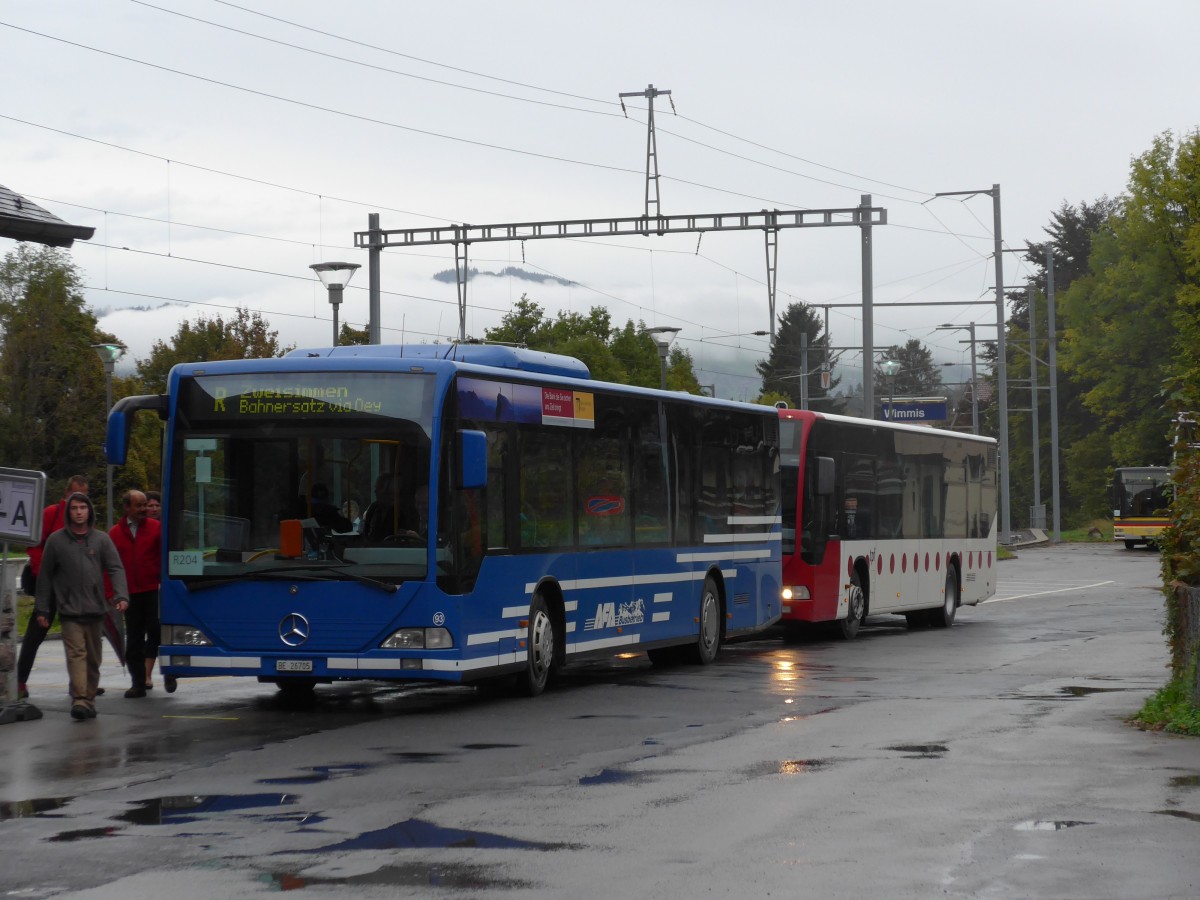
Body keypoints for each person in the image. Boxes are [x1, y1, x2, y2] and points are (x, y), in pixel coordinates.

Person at [34, 492, 129, 721]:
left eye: (82, 508)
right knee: (76, 654)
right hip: (69, 610)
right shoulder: (56, 541)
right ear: (69, 513)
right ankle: (79, 699)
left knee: (93, 659)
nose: (78, 512)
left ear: (89, 511)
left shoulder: (101, 539)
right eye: (74, 508)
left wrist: (121, 595)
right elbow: (45, 576)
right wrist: (42, 609)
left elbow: (116, 568)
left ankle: (89, 700)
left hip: (96, 610)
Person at [17, 474, 89, 700]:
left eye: (84, 496)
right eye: (76, 494)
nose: (80, 501)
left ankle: (80, 684)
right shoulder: (51, 513)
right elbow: (34, 546)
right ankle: (19, 681)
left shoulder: (85, 518)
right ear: (66, 493)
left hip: (72, 588)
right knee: (35, 634)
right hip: (48, 586)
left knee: (78, 637)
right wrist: (43, 577)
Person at [109, 490, 161, 698]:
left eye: (144, 505)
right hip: (129, 593)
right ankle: (138, 682)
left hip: (153, 589)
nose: (143, 510)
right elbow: (110, 565)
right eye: (138, 506)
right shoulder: (114, 533)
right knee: (134, 639)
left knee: (156, 631)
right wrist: (112, 592)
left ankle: (165, 673)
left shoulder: (156, 528)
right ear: (127, 508)